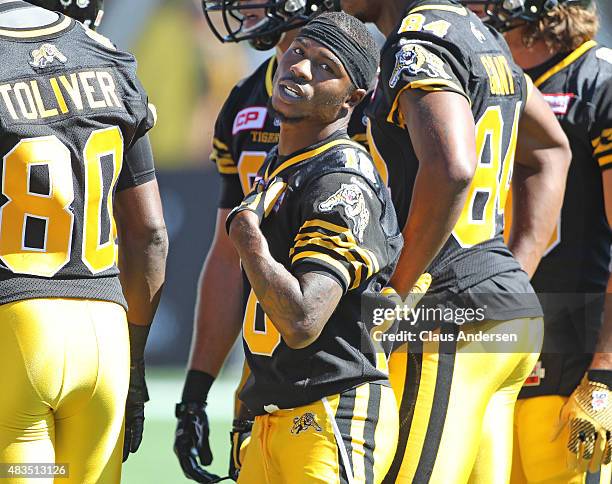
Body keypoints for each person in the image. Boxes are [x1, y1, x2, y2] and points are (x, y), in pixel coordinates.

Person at [340, 0, 572, 482]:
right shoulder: (483, 36)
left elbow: (452, 167)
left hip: (446, 311)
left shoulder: (416, 41)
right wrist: (511, 269)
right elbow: (551, 148)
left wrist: (396, 293)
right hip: (498, 308)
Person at [174, 1, 372, 482]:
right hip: (268, 374)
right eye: (298, 55)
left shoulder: (372, 108)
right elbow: (227, 260)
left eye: (324, 65)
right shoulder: (244, 101)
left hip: (339, 375)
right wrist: (197, 390)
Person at [226, 11, 408, 483]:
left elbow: (303, 319)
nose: (300, 68)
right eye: (299, 53)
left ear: (353, 98)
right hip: (275, 413)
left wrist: (248, 236)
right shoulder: (287, 162)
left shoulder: (341, 178)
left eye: (326, 67)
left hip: (330, 412)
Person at [0, 1, 168, 483]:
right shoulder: (109, 57)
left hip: (18, 333)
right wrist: (133, 365)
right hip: (106, 340)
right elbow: (150, 234)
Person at [465, 1, 612, 482]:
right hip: (491, 353)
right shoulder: (481, 73)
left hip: (572, 359)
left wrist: (605, 370)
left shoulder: (597, 82)